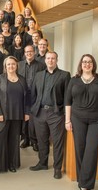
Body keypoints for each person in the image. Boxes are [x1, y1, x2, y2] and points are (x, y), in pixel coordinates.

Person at [65, 54, 98, 190]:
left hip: (97, 120)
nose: (87, 64)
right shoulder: (73, 81)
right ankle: (82, 180)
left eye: (89, 62)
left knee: (91, 150)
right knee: (80, 149)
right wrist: (67, 120)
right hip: (77, 119)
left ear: (93, 64)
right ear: (81, 64)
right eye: (84, 62)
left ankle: (85, 184)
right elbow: (68, 102)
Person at [29, 51, 70, 180]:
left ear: (57, 60)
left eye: (53, 58)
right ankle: (42, 163)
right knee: (42, 140)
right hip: (39, 112)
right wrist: (33, 108)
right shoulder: (38, 75)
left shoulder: (64, 75)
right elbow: (33, 94)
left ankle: (57, 168)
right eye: (48, 58)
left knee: (57, 142)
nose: (50, 60)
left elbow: (68, 97)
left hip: (56, 113)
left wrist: (64, 114)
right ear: (45, 60)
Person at [0, 56, 29, 176]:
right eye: (8, 64)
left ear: (17, 66)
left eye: (13, 64)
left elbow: (27, 97)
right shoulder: (0, 79)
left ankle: (11, 164)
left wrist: (26, 112)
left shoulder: (22, 79)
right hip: (3, 115)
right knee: (0, 139)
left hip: (17, 114)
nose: (11, 66)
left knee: (14, 140)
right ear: (5, 66)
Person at [18, 45, 46, 151]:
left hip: (36, 96)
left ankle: (34, 141)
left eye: (31, 51)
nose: (29, 53)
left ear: (34, 52)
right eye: (27, 52)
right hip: (22, 96)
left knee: (33, 120)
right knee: (24, 119)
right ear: (24, 53)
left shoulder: (41, 65)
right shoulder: (19, 65)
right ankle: (25, 139)